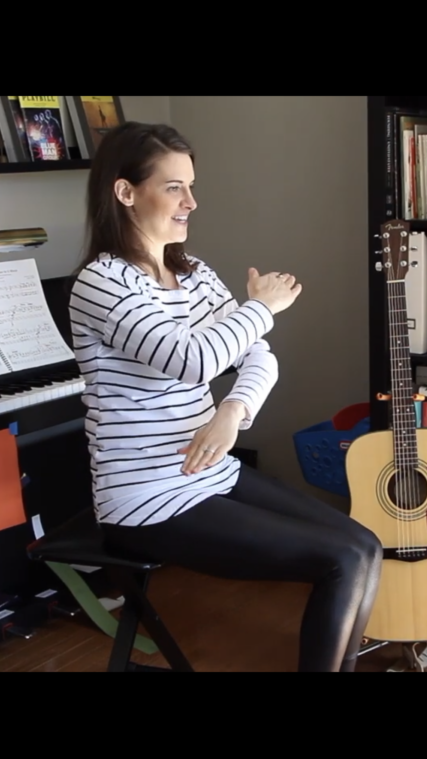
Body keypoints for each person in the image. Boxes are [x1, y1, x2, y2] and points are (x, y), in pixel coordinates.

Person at [67, 121, 383, 672]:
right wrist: (260, 307)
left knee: (363, 546)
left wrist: (232, 413)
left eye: (192, 185)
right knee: (338, 559)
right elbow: (190, 358)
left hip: (209, 470)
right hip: (146, 498)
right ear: (125, 192)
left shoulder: (193, 273)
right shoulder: (103, 282)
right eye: (174, 187)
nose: (191, 201)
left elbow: (257, 356)